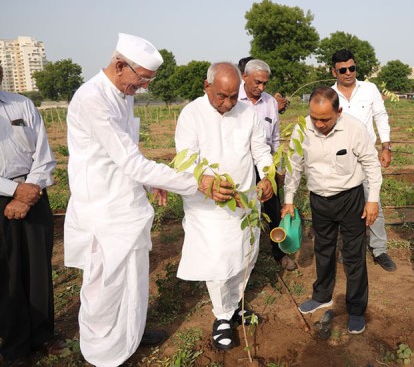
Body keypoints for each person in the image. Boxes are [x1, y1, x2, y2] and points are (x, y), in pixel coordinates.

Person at [64, 33, 202, 367]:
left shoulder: (123, 95)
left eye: (147, 82)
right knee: (105, 285)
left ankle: (131, 335)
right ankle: (102, 354)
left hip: (127, 202)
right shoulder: (92, 99)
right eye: (141, 79)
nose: (141, 88)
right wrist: (193, 182)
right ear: (119, 64)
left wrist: (150, 180)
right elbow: (129, 161)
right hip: (103, 206)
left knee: (134, 279)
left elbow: (130, 151)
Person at [175, 62, 274, 351]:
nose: (228, 103)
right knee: (218, 260)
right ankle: (221, 317)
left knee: (246, 253)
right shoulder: (191, 114)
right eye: (221, 96)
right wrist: (204, 181)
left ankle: (236, 305)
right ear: (206, 86)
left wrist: (267, 174)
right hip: (208, 204)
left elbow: (260, 149)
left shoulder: (248, 113)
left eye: (233, 96)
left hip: (245, 199)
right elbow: (186, 157)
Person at [282, 86, 382, 335]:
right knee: (323, 249)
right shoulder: (302, 128)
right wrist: (289, 199)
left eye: (325, 119)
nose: (318, 124)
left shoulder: (354, 129)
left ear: (338, 111)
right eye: (314, 117)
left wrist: (373, 200)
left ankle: (356, 309)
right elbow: (294, 166)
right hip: (319, 199)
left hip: (350, 199)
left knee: (353, 254)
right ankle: (322, 295)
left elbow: (371, 163)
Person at [0, 64, 64, 366]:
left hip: (33, 192)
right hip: (3, 197)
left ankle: (43, 334)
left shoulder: (21, 104)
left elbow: (43, 153)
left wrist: (28, 191)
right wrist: (12, 192)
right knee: (7, 274)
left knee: (38, 269)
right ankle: (15, 347)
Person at [330, 49, 396, 272]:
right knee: (343, 204)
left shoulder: (369, 89)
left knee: (373, 200)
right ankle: (349, 247)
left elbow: (381, 116)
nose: (348, 73)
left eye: (352, 68)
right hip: (340, 159)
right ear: (334, 71)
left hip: (367, 156)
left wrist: (386, 146)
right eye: (343, 70)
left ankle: (379, 249)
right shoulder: (329, 95)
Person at [238, 59, 297, 271]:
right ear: (244, 77)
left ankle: (279, 253)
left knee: (273, 210)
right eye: (257, 82)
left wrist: (277, 170)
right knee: (241, 209)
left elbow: (274, 139)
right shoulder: (233, 99)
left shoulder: (270, 102)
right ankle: (242, 258)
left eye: (265, 83)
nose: (261, 88)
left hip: (265, 165)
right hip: (239, 166)